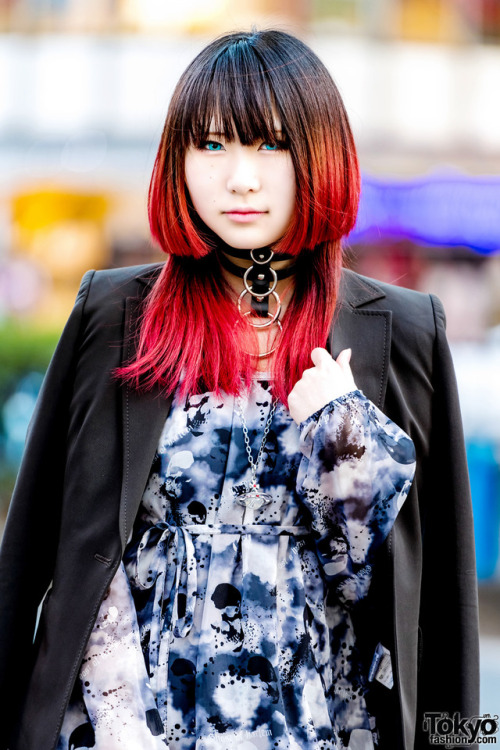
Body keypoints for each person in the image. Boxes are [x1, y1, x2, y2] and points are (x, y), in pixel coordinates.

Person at [0, 29, 479, 750]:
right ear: (179, 161)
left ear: (319, 154)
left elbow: (435, 594)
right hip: (125, 727)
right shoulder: (114, 312)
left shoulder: (402, 328)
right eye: (214, 146)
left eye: (271, 146)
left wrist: (343, 431)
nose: (241, 179)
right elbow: (32, 544)